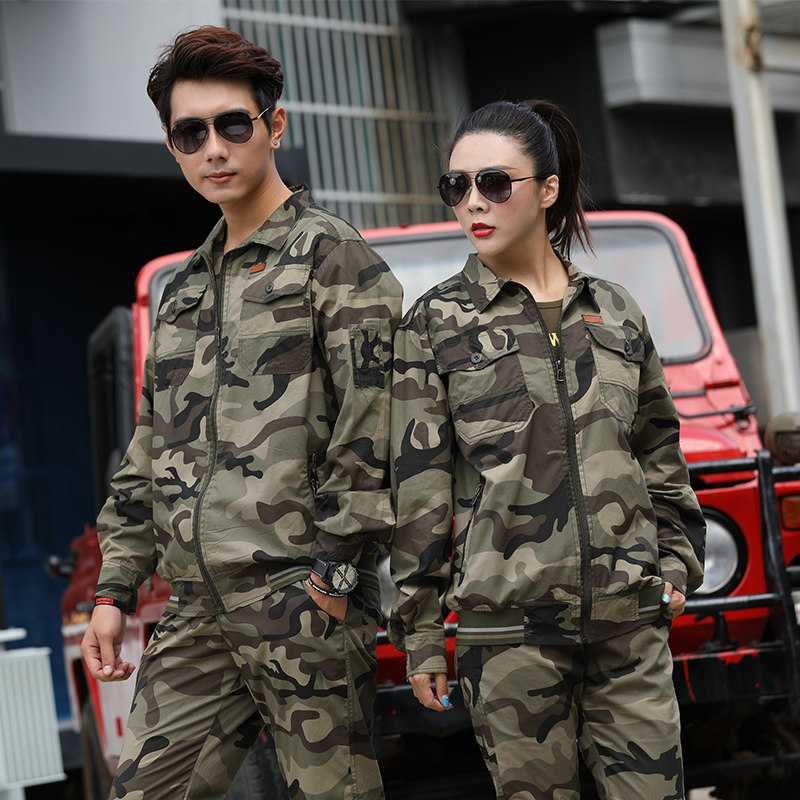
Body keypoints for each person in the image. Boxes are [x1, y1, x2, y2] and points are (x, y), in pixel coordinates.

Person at [80, 26, 401, 800]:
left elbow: (378, 425)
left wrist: (333, 574)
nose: (214, 149)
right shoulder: (185, 290)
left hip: (302, 597)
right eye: (191, 133)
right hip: (198, 610)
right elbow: (149, 453)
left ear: (274, 125)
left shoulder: (334, 259)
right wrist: (113, 591)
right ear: (172, 145)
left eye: (233, 125)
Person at [388, 99, 705, 799]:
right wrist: (421, 633)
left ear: (548, 190)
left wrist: (676, 562)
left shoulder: (615, 311)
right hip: (508, 639)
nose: (473, 202)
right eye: (456, 186)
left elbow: (658, 450)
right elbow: (419, 489)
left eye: (495, 183)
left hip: (630, 627)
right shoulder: (434, 324)